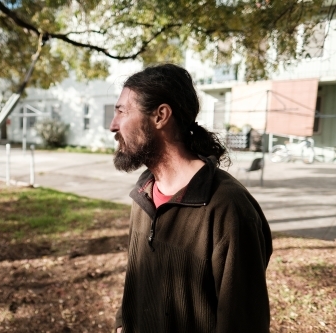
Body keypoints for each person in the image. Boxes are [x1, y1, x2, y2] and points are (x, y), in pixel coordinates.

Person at [110, 64, 272, 333]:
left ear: (160, 115)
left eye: (122, 112)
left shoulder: (228, 209)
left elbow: (244, 322)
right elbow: (138, 279)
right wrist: (122, 322)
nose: (113, 125)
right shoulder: (144, 194)